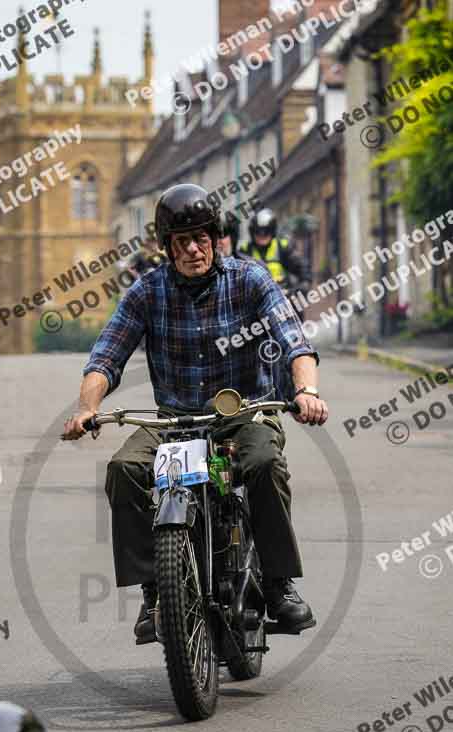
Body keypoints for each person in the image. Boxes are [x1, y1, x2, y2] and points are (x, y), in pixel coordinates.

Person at [63, 184, 328, 646]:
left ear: (216, 237)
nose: (192, 249)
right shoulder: (147, 292)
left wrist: (306, 391)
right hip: (176, 421)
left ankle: (278, 583)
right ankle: (155, 593)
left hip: (245, 413)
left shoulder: (251, 279)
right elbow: (106, 356)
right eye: (180, 241)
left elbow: (294, 341)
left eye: (200, 238)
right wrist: (88, 408)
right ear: (166, 247)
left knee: (265, 464)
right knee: (124, 469)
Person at [240, 208, 311, 293]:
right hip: (255, 300)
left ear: (272, 231)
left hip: (282, 296)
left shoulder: (282, 247)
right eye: (258, 231)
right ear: (252, 232)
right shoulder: (245, 250)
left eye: (266, 231)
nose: (262, 235)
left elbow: (301, 266)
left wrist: (305, 282)